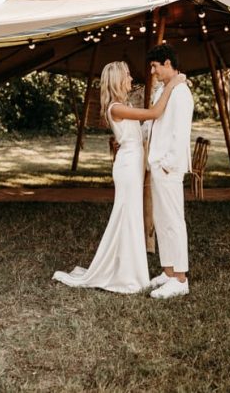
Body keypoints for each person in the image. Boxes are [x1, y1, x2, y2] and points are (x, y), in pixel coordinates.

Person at [53, 61, 186, 293]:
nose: (131, 79)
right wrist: (171, 84)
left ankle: (128, 268)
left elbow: (143, 127)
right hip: (127, 167)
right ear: (117, 80)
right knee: (127, 216)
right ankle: (127, 273)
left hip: (131, 163)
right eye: (127, 75)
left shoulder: (121, 105)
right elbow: (155, 113)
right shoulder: (116, 107)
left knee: (130, 216)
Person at [144, 44, 194, 299]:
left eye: (154, 66)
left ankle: (181, 279)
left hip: (168, 167)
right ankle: (168, 271)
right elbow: (154, 122)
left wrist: (168, 163)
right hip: (157, 164)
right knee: (161, 221)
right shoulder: (162, 91)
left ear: (166, 63)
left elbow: (180, 132)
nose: (152, 71)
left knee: (174, 221)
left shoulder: (181, 93)